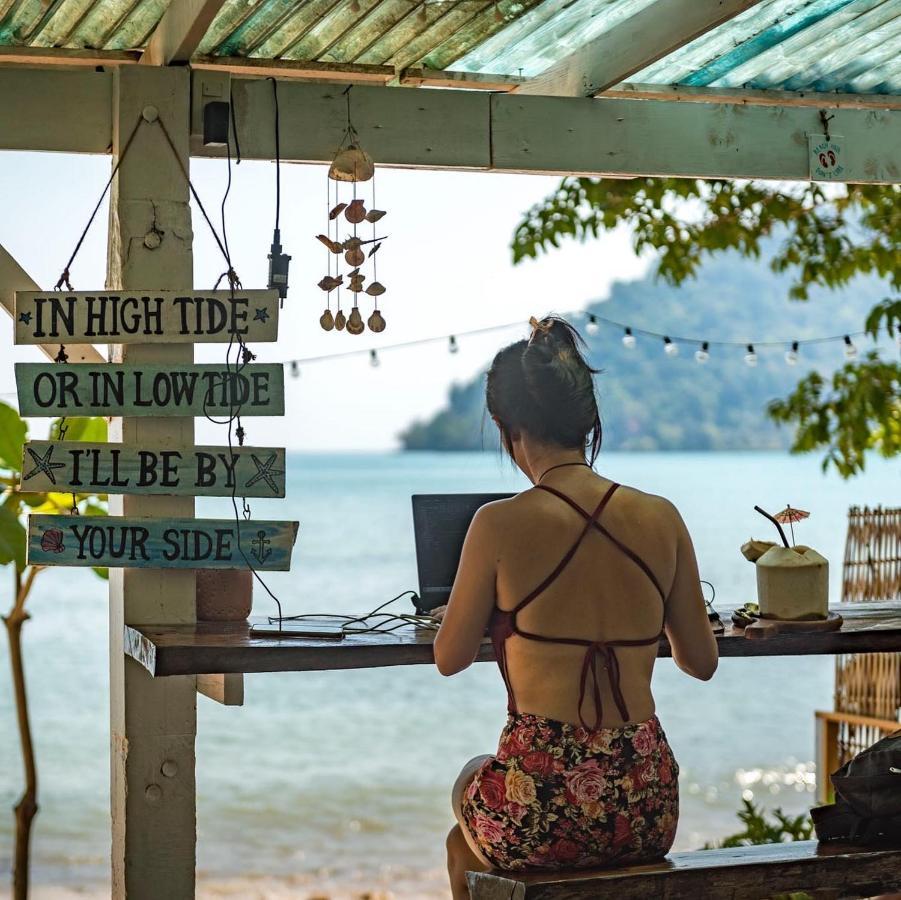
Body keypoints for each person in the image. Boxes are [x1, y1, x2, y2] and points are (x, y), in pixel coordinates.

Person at [432, 316, 718, 899]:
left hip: (547, 799)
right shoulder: (662, 516)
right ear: (588, 422)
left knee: (466, 803)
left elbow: (450, 657)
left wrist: (485, 614)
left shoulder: (497, 523)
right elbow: (701, 661)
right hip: (647, 800)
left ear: (504, 425)